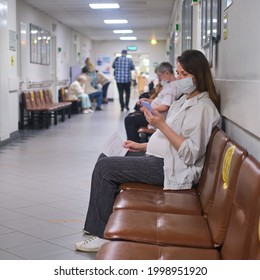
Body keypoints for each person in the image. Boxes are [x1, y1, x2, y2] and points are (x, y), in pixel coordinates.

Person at [75, 49, 220, 252]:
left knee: (106, 168)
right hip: (161, 157)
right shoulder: (185, 100)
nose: (179, 79)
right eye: (178, 73)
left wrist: (161, 125)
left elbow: (190, 153)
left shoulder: (203, 108)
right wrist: (141, 146)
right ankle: (96, 224)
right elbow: (169, 140)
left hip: (170, 167)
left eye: (184, 74)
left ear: (198, 75)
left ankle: (100, 234)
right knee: (106, 156)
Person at [124, 62, 176, 142]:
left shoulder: (172, 88)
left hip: (156, 116)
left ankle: (135, 146)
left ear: (167, 73)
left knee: (129, 119)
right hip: (154, 112)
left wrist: (148, 109)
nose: (159, 78)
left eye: (159, 75)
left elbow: (164, 107)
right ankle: (135, 142)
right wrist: (147, 100)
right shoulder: (168, 85)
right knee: (132, 115)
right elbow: (161, 100)